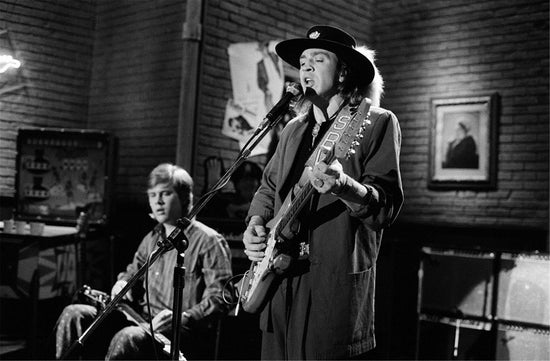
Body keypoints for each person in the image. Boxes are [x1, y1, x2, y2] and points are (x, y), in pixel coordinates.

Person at [242, 25, 404, 359]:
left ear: (344, 72)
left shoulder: (377, 123)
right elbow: (268, 188)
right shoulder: (292, 129)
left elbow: (386, 206)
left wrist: (345, 186)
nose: (306, 67)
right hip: (277, 280)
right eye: (302, 62)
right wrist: (255, 224)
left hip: (330, 284)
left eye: (318, 59)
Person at [55, 163, 233, 360]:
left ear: (184, 198)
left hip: (181, 333)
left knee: (128, 337)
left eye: (165, 194)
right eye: (153, 195)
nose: (158, 202)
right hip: (142, 321)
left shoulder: (208, 240)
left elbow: (220, 298)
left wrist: (182, 318)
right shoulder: (151, 239)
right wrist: (123, 283)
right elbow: (132, 272)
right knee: (75, 314)